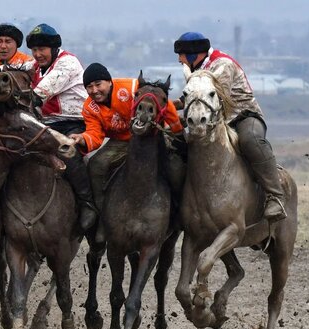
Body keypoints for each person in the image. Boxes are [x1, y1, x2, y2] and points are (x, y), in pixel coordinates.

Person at [173, 32, 286, 221]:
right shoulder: (196, 69)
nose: (179, 60)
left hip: (242, 116)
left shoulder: (222, 65)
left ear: (193, 55)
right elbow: (192, 99)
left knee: (251, 141)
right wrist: (165, 106)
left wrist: (183, 117)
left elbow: (215, 101)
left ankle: (276, 196)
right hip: (214, 120)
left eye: (181, 55)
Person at [70, 63, 182, 239]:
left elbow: (161, 102)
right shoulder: (89, 107)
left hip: (151, 138)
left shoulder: (131, 88)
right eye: (89, 87)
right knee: (96, 165)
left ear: (109, 81)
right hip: (121, 141)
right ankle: (101, 216)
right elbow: (95, 133)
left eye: (98, 84)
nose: (94, 90)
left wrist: (177, 131)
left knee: (174, 167)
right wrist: (82, 139)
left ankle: (177, 212)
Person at [25, 23, 96, 230]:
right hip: (47, 123)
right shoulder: (36, 66)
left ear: (53, 49)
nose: (38, 54)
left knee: (68, 153)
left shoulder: (67, 63)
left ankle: (87, 203)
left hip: (74, 121)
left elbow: (39, 94)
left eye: (42, 50)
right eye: (35, 50)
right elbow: (17, 68)